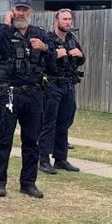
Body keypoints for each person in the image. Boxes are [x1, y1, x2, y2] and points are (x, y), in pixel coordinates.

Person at [0, 0, 56, 199]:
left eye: (24, 10)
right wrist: (5, 24)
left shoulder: (40, 34)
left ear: (30, 12)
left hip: (34, 94)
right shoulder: (3, 33)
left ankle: (28, 183)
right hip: (10, 93)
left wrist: (46, 48)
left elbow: (55, 62)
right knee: (4, 139)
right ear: (12, 11)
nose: (21, 13)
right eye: (18, 9)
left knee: (31, 141)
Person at [38, 9, 84, 174]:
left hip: (69, 85)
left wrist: (79, 55)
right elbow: (40, 61)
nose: (68, 22)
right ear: (56, 21)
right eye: (64, 19)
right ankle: (43, 159)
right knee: (49, 123)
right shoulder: (48, 39)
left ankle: (60, 158)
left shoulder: (72, 39)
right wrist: (55, 55)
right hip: (52, 85)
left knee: (64, 123)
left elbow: (81, 60)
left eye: (70, 19)